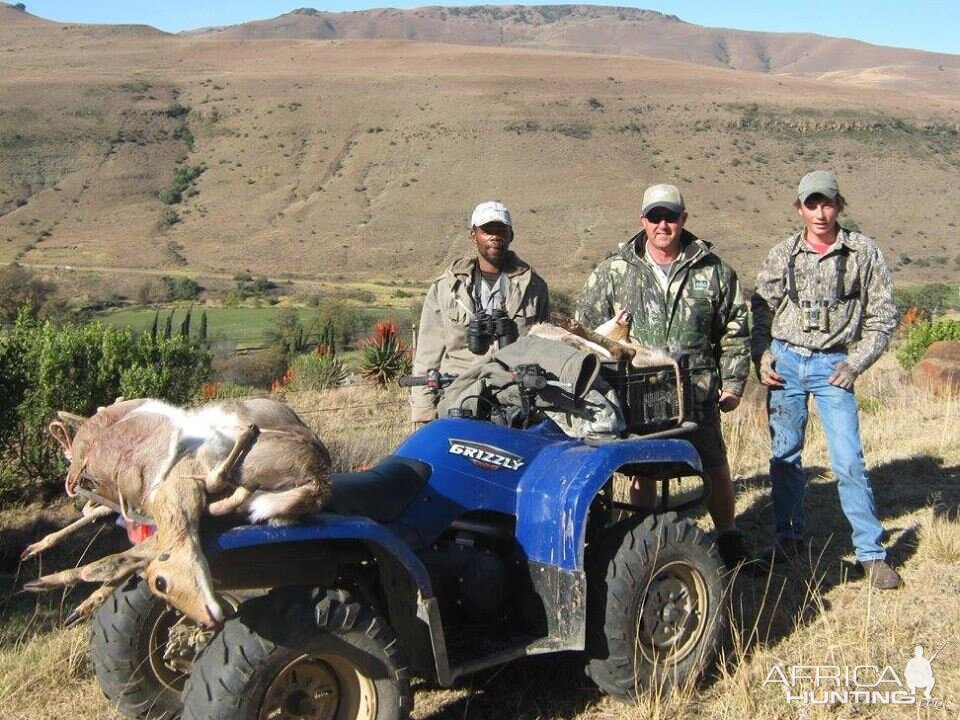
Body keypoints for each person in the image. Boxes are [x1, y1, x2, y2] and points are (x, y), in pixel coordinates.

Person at [577, 183, 763, 572]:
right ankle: (642, 543)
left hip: (696, 392)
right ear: (643, 220)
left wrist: (731, 385)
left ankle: (728, 538)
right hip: (635, 394)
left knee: (713, 463)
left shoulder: (714, 271)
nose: (663, 225)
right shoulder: (613, 271)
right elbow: (587, 332)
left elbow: (735, 329)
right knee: (642, 468)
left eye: (671, 217)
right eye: (655, 217)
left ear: (684, 220)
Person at [751, 170, 901, 590]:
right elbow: (760, 311)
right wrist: (761, 356)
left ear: (839, 205)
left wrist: (856, 363)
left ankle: (871, 553)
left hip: (834, 365)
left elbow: (882, 316)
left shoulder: (862, 252)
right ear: (799, 208)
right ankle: (789, 540)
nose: (820, 212)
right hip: (786, 363)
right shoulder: (783, 254)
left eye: (828, 203)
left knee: (848, 460)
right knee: (785, 458)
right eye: (811, 204)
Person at [410, 200, 550, 423]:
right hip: (457, 397)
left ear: (510, 235)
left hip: (515, 399)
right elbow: (428, 352)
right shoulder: (446, 287)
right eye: (487, 231)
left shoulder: (534, 287)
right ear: (473, 236)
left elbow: (544, 346)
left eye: (501, 230)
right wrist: (424, 411)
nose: (495, 237)